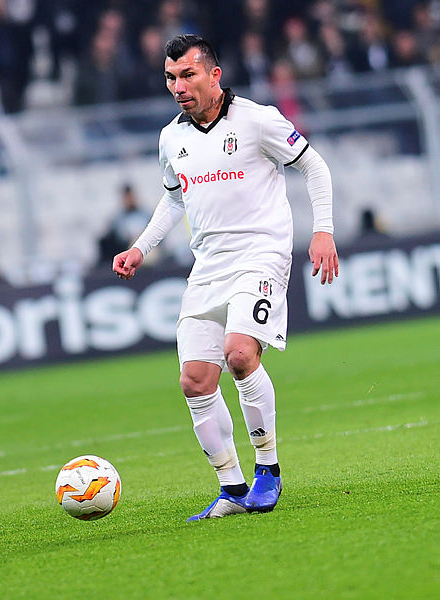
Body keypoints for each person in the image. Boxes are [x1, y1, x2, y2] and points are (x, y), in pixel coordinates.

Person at [113, 34, 338, 521]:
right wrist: (140, 247)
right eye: (170, 77)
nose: (178, 86)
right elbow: (175, 197)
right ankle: (232, 487)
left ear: (214, 75)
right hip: (208, 266)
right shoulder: (170, 138)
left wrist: (323, 230)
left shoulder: (257, 121)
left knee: (239, 354)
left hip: (261, 254)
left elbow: (314, 166)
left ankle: (268, 469)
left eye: (187, 75)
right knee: (195, 381)